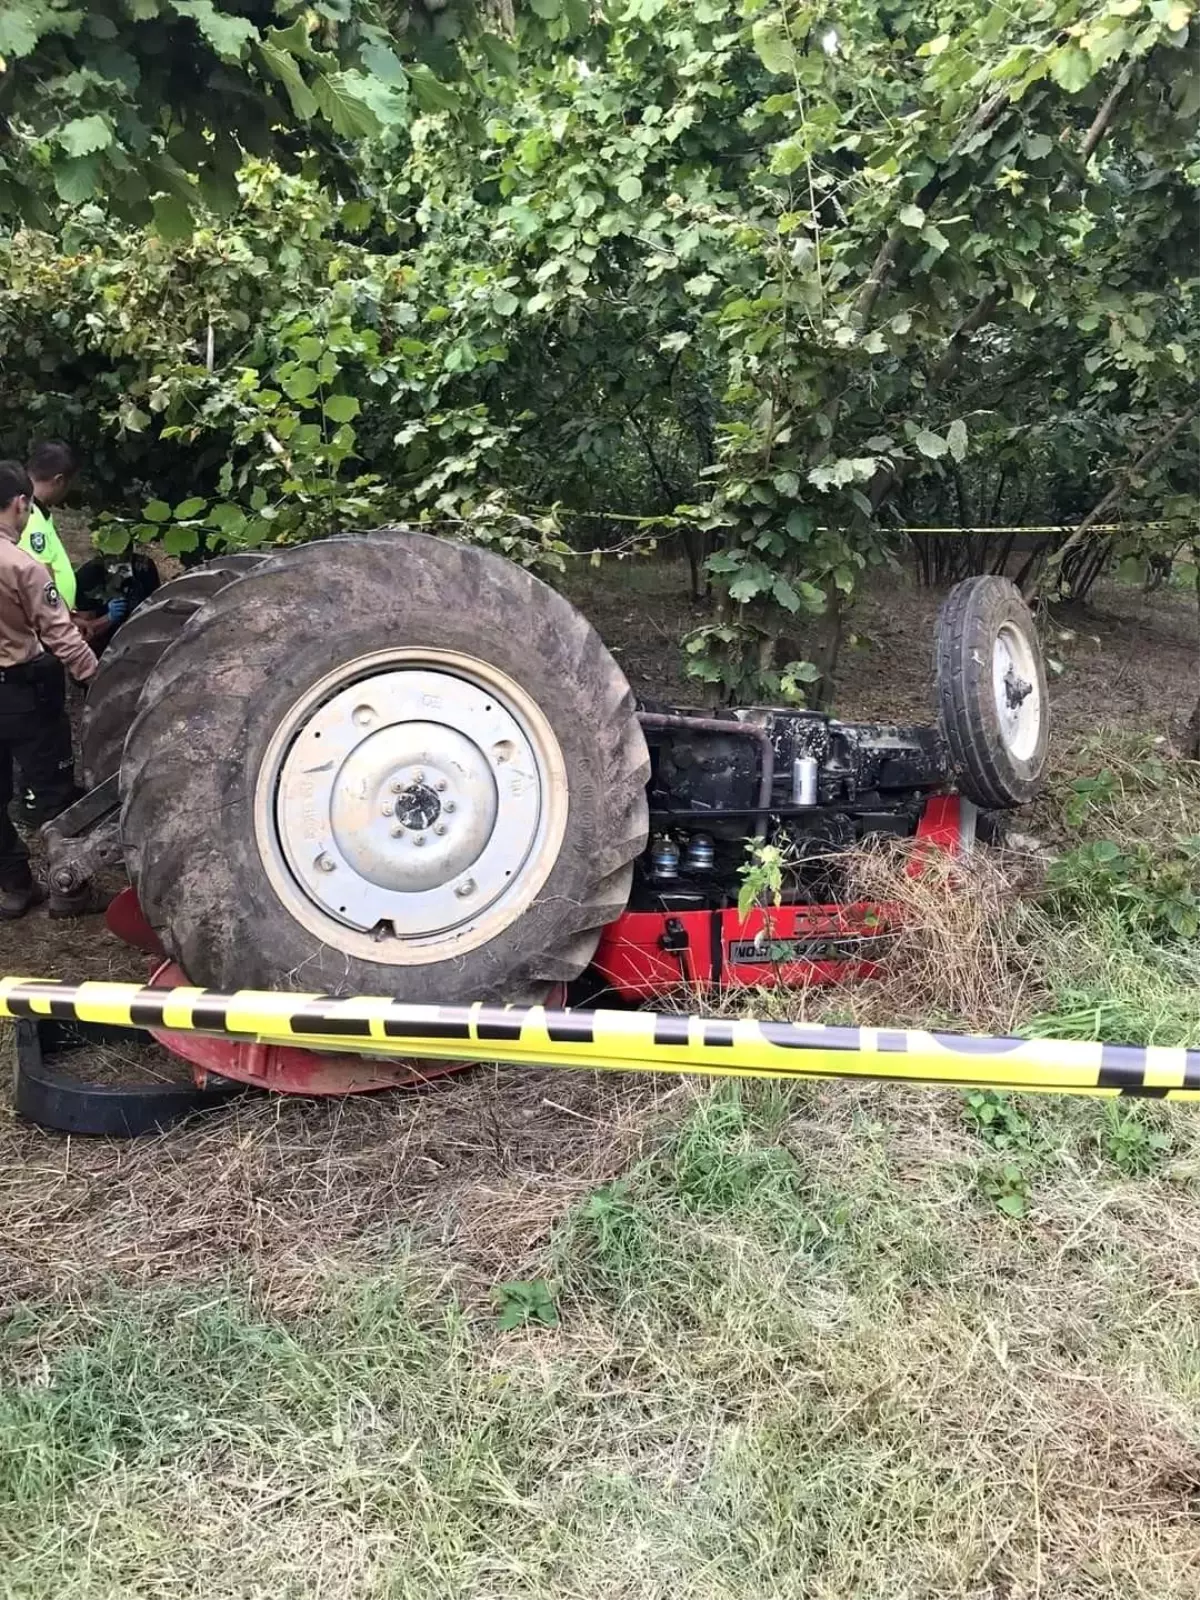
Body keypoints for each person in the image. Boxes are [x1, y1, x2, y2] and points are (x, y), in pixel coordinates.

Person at [0, 460, 100, 919]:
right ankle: (70, 890)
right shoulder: (22, 566)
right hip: (26, 693)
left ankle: (15, 886)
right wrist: (94, 677)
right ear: (21, 504)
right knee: (55, 793)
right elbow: (60, 634)